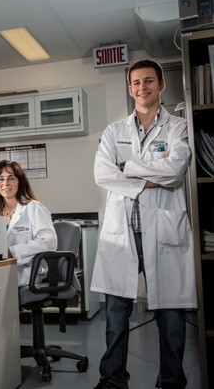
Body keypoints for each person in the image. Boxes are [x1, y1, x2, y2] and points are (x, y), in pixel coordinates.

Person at [91, 59, 197, 389]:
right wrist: (151, 175)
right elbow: (103, 174)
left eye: (148, 81)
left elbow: (176, 170)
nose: (142, 87)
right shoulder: (114, 131)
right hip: (123, 234)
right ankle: (112, 380)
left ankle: (170, 381)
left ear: (161, 84)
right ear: (130, 88)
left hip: (163, 229)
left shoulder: (178, 127)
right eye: (135, 82)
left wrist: (130, 169)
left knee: (171, 312)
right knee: (116, 314)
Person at [0, 160, 57, 286]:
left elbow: (49, 241)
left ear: (20, 182)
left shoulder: (34, 208)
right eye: (1, 179)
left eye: (11, 178)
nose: (5, 183)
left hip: (28, 271)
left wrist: (12, 252)